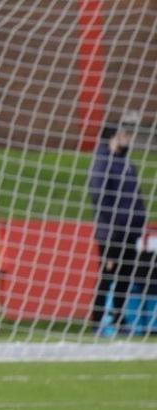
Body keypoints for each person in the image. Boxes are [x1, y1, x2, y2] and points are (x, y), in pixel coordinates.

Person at [88, 121, 150, 331]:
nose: (127, 139)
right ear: (113, 137)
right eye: (124, 135)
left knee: (125, 274)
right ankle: (96, 320)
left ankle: (119, 318)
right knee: (108, 274)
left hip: (131, 231)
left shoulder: (127, 164)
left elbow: (135, 197)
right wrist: (113, 226)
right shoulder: (102, 162)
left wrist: (139, 219)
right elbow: (99, 197)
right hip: (111, 233)